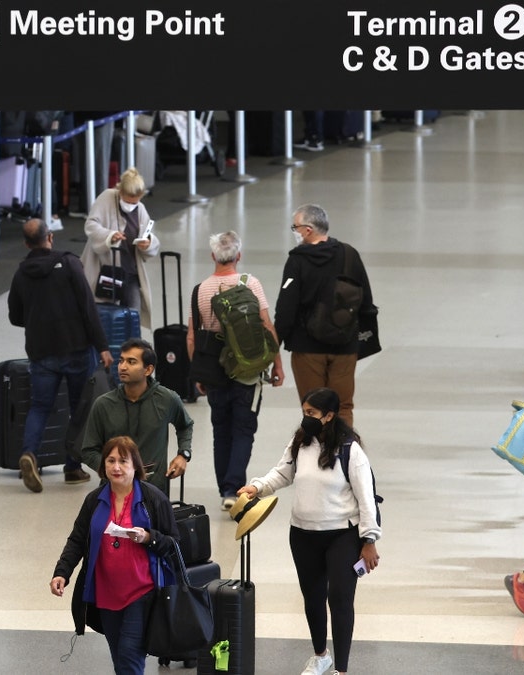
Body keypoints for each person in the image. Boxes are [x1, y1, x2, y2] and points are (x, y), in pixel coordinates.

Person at [237, 387, 382, 675]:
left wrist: (369, 540)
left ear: (329, 416)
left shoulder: (350, 449)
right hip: (303, 535)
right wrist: (257, 487)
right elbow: (282, 473)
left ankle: (341, 669)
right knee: (312, 597)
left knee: (339, 599)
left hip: (342, 534)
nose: (306, 419)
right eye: (304, 412)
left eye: (312, 414)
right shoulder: (300, 441)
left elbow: (367, 498)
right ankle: (320, 656)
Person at [50, 436, 179, 674]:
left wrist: (149, 537)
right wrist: (62, 572)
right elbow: (77, 539)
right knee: (120, 660)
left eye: (123, 461)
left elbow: (174, 544)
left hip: (142, 592)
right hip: (106, 593)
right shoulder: (95, 501)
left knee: (129, 657)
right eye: (110, 460)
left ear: (135, 466)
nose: (116, 467)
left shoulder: (153, 499)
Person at [8, 217, 114, 493]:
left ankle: (30, 453)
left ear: (26, 243)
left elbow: (15, 316)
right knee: (79, 408)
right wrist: (102, 345)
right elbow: (87, 307)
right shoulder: (69, 264)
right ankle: (72, 467)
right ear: (50, 238)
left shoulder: (21, 274)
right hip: (76, 348)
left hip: (41, 352)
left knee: (40, 406)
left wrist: (36, 319)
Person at [186, 231, 285, 511]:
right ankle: (234, 488)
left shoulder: (201, 290)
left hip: (215, 372)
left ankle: (225, 491)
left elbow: (192, 337)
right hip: (248, 371)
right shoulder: (249, 283)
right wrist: (277, 364)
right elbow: (266, 324)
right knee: (243, 430)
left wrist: (199, 374)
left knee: (221, 430)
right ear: (238, 256)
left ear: (213, 256)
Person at [275, 204, 376, 428]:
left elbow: (286, 309)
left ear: (308, 229)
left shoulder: (297, 261)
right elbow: (366, 302)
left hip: (307, 349)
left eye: (296, 227)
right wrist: (359, 340)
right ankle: (343, 456)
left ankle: (317, 459)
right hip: (345, 347)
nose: (294, 231)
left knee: (313, 407)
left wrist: (273, 349)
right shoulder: (349, 254)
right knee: (343, 407)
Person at [81, 338, 194, 498]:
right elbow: (88, 450)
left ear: (148, 370)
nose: (123, 366)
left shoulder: (167, 399)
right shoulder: (103, 404)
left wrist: (184, 454)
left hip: (155, 492)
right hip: (113, 493)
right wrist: (115, 469)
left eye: (131, 362)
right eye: (121, 361)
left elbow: (185, 425)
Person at [80, 167, 161, 336]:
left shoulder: (141, 210)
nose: (131, 205)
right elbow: (91, 225)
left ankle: (133, 356)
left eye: (135, 202)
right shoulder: (107, 197)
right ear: (120, 191)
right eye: (128, 201)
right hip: (105, 272)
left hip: (130, 274)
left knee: (133, 319)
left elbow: (150, 236)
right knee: (104, 320)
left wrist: (148, 243)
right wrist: (109, 236)